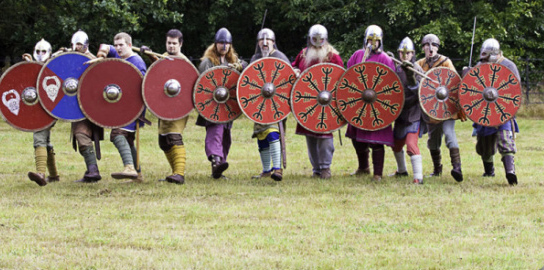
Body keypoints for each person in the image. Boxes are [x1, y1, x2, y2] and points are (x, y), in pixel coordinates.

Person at [139, 29, 190, 185]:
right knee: (164, 140)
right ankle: (174, 172)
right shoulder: (164, 56)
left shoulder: (183, 62)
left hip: (179, 104)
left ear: (180, 44)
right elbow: (159, 69)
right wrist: (149, 55)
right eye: (169, 43)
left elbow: (188, 83)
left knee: (174, 136)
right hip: (164, 103)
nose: (171, 46)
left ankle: (180, 174)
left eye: (174, 43)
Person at [292, 24, 343, 179]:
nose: (318, 41)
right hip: (307, 102)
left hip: (327, 102)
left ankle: (325, 167)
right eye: (315, 39)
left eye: (321, 39)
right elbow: (294, 67)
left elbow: (341, 77)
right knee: (310, 136)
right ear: (310, 39)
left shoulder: (332, 56)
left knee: (325, 136)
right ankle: (316, 168)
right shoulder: (303, 55)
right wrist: (294, 71)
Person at [345, 25, 395, 181]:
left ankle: (378, 173)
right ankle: (363, 167)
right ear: (365, 40)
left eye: (376, 40)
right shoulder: (358, 56)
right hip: (359, 102)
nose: (373, 43)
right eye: (370, 40)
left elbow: (391, 83)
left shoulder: (385, 59)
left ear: (381, 41)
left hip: (377, 105)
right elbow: (348, 76)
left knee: (377, 140)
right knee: (356, 138)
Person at [96, 32, 147, 183]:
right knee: (128, 139)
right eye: (116, 45)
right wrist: (102, 53)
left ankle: (129, 167)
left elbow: (141, 87)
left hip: (133, 107)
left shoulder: (137, 62)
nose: (118, 48)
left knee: (117, 134)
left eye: (121, 45)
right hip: (121, 106)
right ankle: (138, 175)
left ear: (129, 46)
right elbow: (106, 46)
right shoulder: (118, 55)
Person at [196, 28, 245, 179]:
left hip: (227, 105)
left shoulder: (232, 61)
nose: (224, 46)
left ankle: (218, 168)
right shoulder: (207, 62)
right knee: (215, 133)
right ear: (215, 44)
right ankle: (216, 162)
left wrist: (241, 65)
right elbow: (202, 85)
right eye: (221, 43)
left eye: (227, 43)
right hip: (212, 105)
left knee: (225, 136)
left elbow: (246, 68)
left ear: (230, 45)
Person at [470, 38, 520, 185]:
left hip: (502, 110)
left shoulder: (508, 65)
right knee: (485, 144)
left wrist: (510, 110)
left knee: (505, 139)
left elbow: (515, 89)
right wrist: (468, 74)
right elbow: (472, 88)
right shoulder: (480, 66)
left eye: (486, 57)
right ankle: (489, 170)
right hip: (485, 111)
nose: (484, 60)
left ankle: (510, 172)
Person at [416, 34, 464, 182]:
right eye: (427, 45)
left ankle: (457, 168)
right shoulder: (420, 64)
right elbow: (417, 84)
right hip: (432, 110)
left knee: (449, 135)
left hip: (447, 108)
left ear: (438, 47)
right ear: (423, 47)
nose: (430, 49)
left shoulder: (445, 62)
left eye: (434, 45)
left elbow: (454, 81)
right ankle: (437, 169)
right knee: (433, 142)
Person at [249, 28, 289, 181]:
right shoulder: (255, 58)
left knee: (273, 133)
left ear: (273, 41)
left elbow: (287, 79)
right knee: (261, 136)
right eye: (261, 40)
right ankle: (266, 170)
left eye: (268, 40)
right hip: (259, 103)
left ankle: (277, 169)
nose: (264, 43)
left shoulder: (279, 57)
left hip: (275, 103)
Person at [68, 30, 105, 183]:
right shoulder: (71, 58)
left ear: (86, 45)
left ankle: (93, 170)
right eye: (73, 44)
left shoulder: (92, 60)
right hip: (77, 105)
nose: (76, 47)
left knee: (81, 133)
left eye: (79, 44)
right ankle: (92, 170)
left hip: (90, 106)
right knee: (81, 134)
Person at [24, 39, 60, 186]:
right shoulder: (35, 65)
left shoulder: (53, 67)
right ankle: (54, 175)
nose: (40, 54)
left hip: (51, 108)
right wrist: (29, 64)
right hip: (38, 108)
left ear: (49, 52)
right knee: (46, 141)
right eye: (37, 51)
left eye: (43, 51)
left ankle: (41, 173)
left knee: (39, 136)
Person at [389, 37, 424, 184]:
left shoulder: (417, 69)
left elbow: (421, 93)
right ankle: (402, 171)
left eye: (408, 53)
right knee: (396, 145)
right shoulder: (395, 68)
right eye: (402, 53)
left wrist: (412, 79)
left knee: (411, 145)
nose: (405, 56)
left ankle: (418, 177)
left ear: (412, 54)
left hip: (414, 113)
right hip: (400, 113)